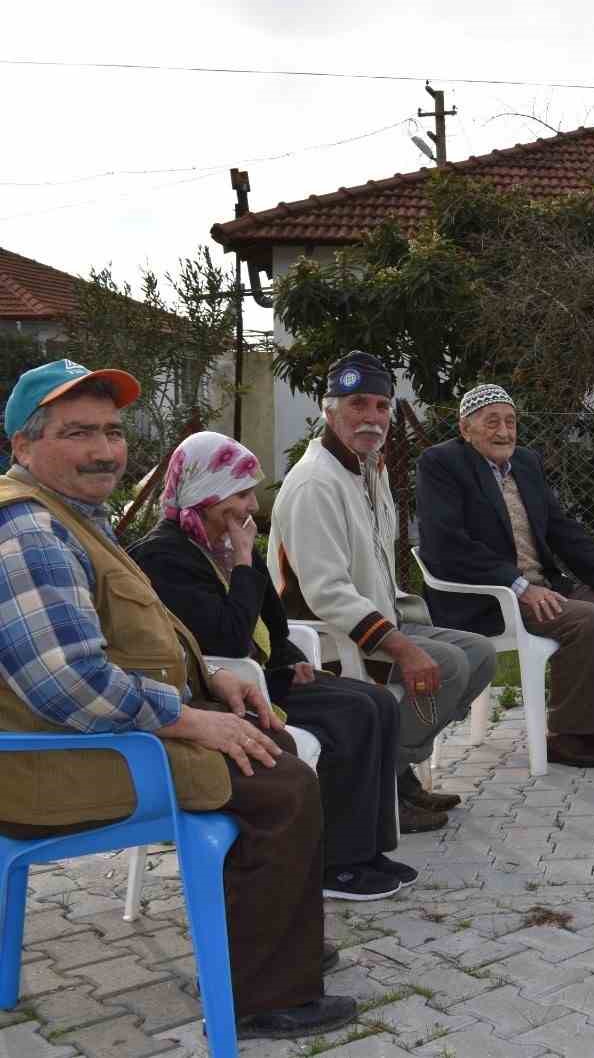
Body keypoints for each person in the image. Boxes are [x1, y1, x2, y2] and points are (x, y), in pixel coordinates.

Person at [0, 360, 355, 1040]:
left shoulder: (73, 515)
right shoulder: (29, 531)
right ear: (23, 443)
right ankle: (263, 997)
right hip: (52, 764)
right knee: (280, 786)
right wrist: (192, 718)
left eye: (112, 431)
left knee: (271, 747)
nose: (105, 451)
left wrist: (212, 681)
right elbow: (67, 681)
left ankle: (268, 947)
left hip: (92, 738)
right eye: (78, 433)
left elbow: (138, 634)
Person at [130, 430, 424, 897]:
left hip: (264, 677)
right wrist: (245, 560)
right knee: (350, 716)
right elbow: (225, 634)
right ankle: (335, 866)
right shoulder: (166, 555)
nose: (250, 506)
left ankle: (365, 850)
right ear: (205, 491)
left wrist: (289, 655)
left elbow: (272, 617)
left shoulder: (220, 541)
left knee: (375, 703)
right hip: (221, 692)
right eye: (241, 493)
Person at [267, 351, 496, 831]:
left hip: (375, 620)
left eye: (381, 406)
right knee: (448, 666)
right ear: (329, 412)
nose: (372, 418)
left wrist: (407, 624)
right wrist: (404, 647)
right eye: (357, 405)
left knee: (479, 653)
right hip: (329, 637)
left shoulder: (369, 469)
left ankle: (393, 770)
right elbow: (327, 592)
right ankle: (379, 783)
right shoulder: (315, 482)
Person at [415, 384, 594, 769]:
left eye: (510, 421)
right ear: (465, 428)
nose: (504, 431)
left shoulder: (525, 463)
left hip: (538, 590)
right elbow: (447, 545)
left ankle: (590, 723)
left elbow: (561, 529)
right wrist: (518, 586)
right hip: (485, 599)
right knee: (586, 618)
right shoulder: (440, 464)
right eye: (492, 422)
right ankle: (563, 736)